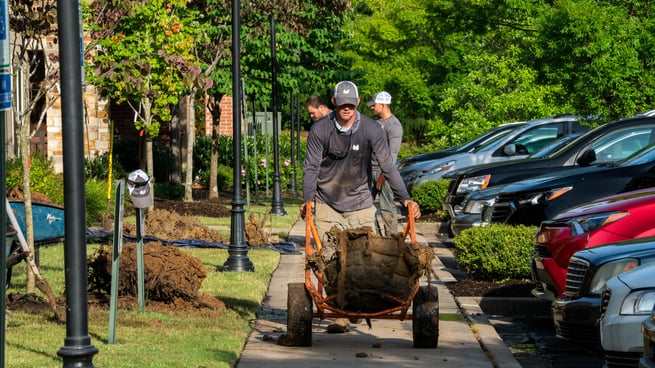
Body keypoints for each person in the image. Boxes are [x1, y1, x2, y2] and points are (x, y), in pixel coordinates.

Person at [302, 81, 420, 333]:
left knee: (363, 260)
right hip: (327, 202)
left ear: (356, 102)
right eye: (342, 103)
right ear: (334, 103)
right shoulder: (320, 129)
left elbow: (387, 165)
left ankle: (358, 305)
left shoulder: (371, 129)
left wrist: (405, 197)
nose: (346, 108)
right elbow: (311, 166)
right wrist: (308, 199)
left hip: (361, 203)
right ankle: (341, 315)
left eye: (351, 103)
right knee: (331, 261)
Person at [367, 91, 403, 236]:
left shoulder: (394, 125)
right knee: (365, 208)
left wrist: (385, 173)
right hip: (370, 171)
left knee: (387, 207)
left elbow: (392, 153)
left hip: (384, 173)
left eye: (374, 105)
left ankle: (391, 241)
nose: (372, 108)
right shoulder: (375, 124)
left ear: (382, 105)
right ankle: (374, 237)